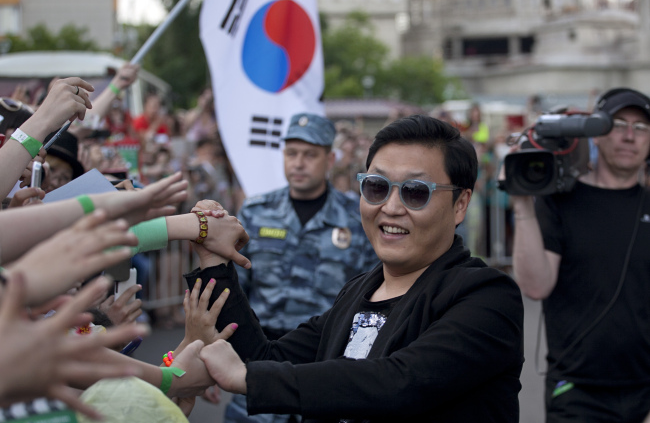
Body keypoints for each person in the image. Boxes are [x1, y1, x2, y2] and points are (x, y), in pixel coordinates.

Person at [186, 115, 524, 422]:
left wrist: (252, 379)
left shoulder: (487, 297)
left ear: (460, 204)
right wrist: (214, 259)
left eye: (415, 192)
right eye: (377, 187)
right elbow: (264, 355)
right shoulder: (357, 293)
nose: (391, 208)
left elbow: (400, 383)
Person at [220, 112, 378, 423]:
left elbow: (370, 295)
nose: (299, 163)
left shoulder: (355, 217)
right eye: (291, 153)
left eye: (310, 154)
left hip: (325, 361)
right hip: (261, 356)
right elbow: (235, 291)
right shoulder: (256, 212)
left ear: (330, 158)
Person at [511, 87, 650, 422]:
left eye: (641, 127)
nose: (630, 136)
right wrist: (522, 204)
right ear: (596, 134)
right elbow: (535, 286)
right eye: (618, 124)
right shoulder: (560, 201)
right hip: (576, 390)